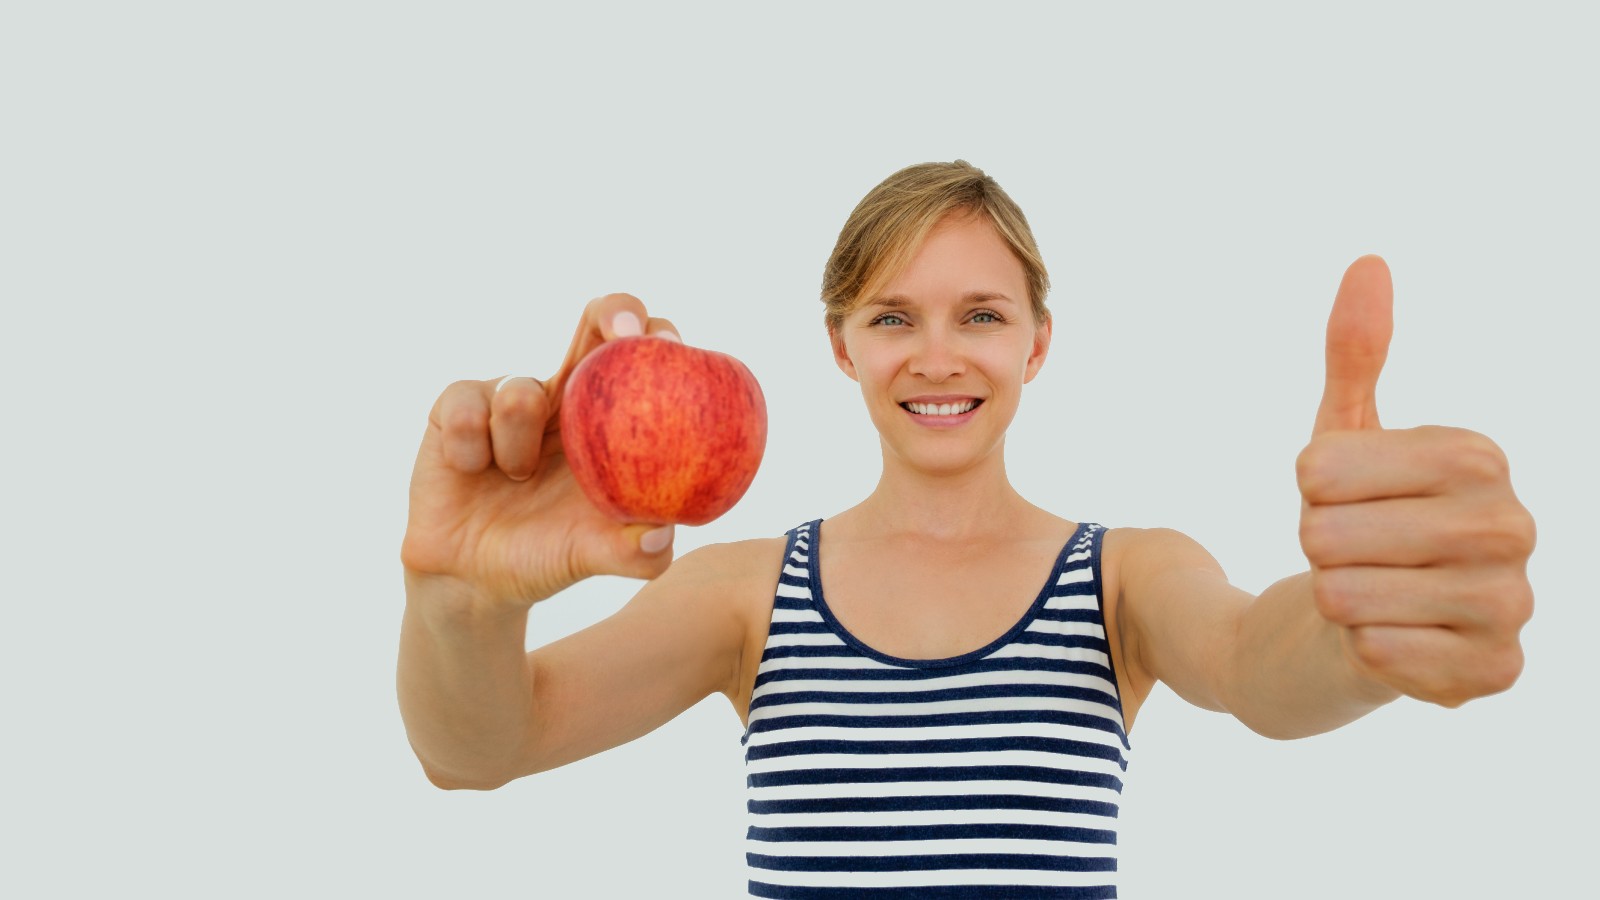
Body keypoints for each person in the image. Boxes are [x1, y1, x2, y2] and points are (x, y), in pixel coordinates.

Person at [396, 160, 1536, 897]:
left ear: (1036, 344)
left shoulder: (1121, 577)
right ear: (841, 345)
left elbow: (1254, 664)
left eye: (980, 316)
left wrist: (1355, 632)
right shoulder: (750, 594)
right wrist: (459, 599)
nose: (936, 356)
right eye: (893, 316)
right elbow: (477, 749)